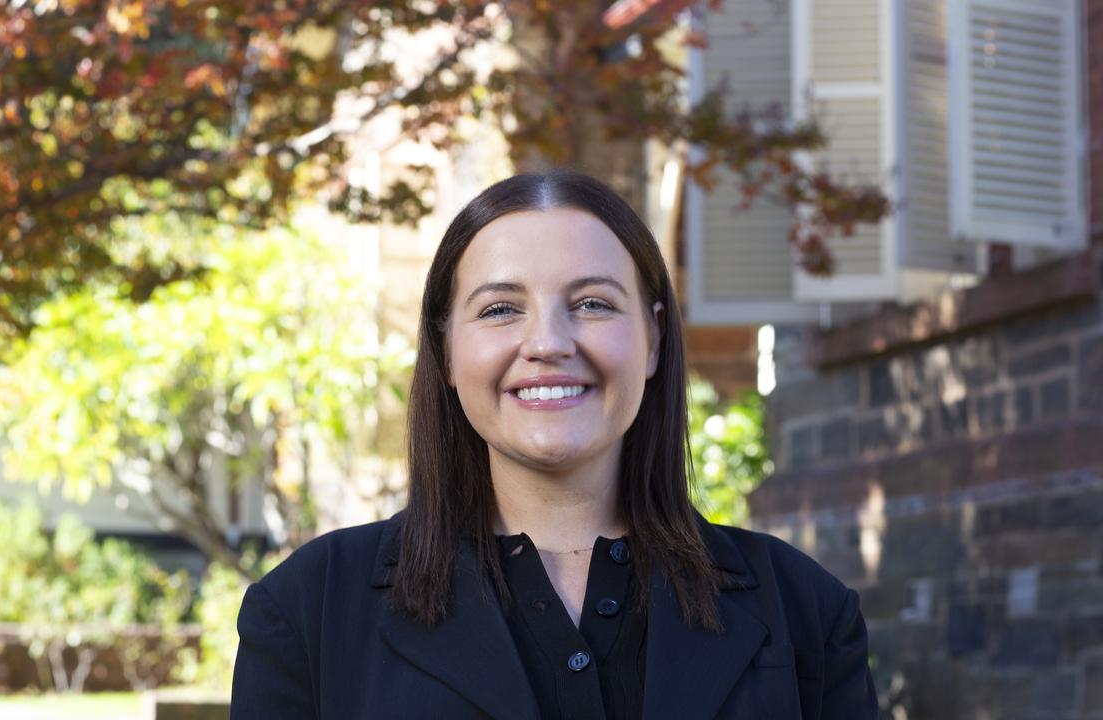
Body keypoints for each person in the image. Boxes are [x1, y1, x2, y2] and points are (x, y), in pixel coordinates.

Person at [231, 170, 878, 719]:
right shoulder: (307, 613)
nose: (547, 342)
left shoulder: (805, 610)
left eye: (593, 304)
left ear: (652, 340)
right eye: (499, 310)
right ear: (446, 350)